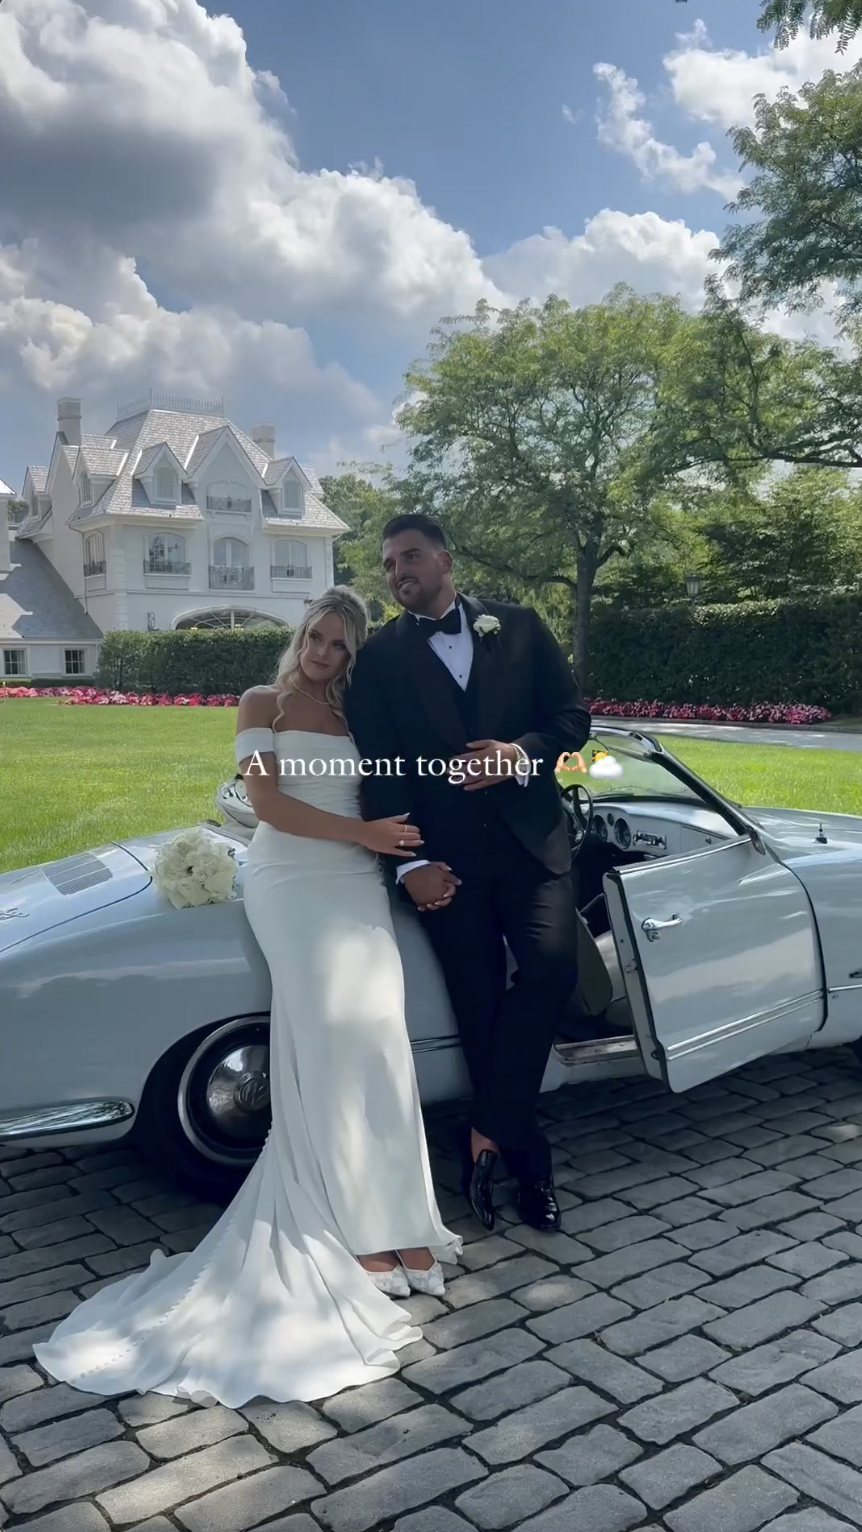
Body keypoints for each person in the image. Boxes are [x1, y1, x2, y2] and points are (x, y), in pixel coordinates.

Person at [33, 587, 460, 1409]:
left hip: (356, 885)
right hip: (293, 882)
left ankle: (404, 1218)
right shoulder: (260, 703)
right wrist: (367, 839)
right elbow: (264, 803)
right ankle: (353, 1231)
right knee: (332, 1038)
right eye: (316, 638)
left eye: (340, 646)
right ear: (299, 635)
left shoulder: (357, 714)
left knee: (379, 1041)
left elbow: (393, 787)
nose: (323, 654)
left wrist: (404, 841)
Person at [345, 516, 591, 1234]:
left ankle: (485, 1130)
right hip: (444, 861)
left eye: (410, 557)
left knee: (551, 970)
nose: (397, 573)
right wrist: (411, 864)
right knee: (477, 1007)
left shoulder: (516, 626)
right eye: (388, 565)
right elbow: (380, 769)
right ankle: (530, 1164)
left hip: (531, 845)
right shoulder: (379, 658)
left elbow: (573, 719)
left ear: (445, 559)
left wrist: (518, 753)